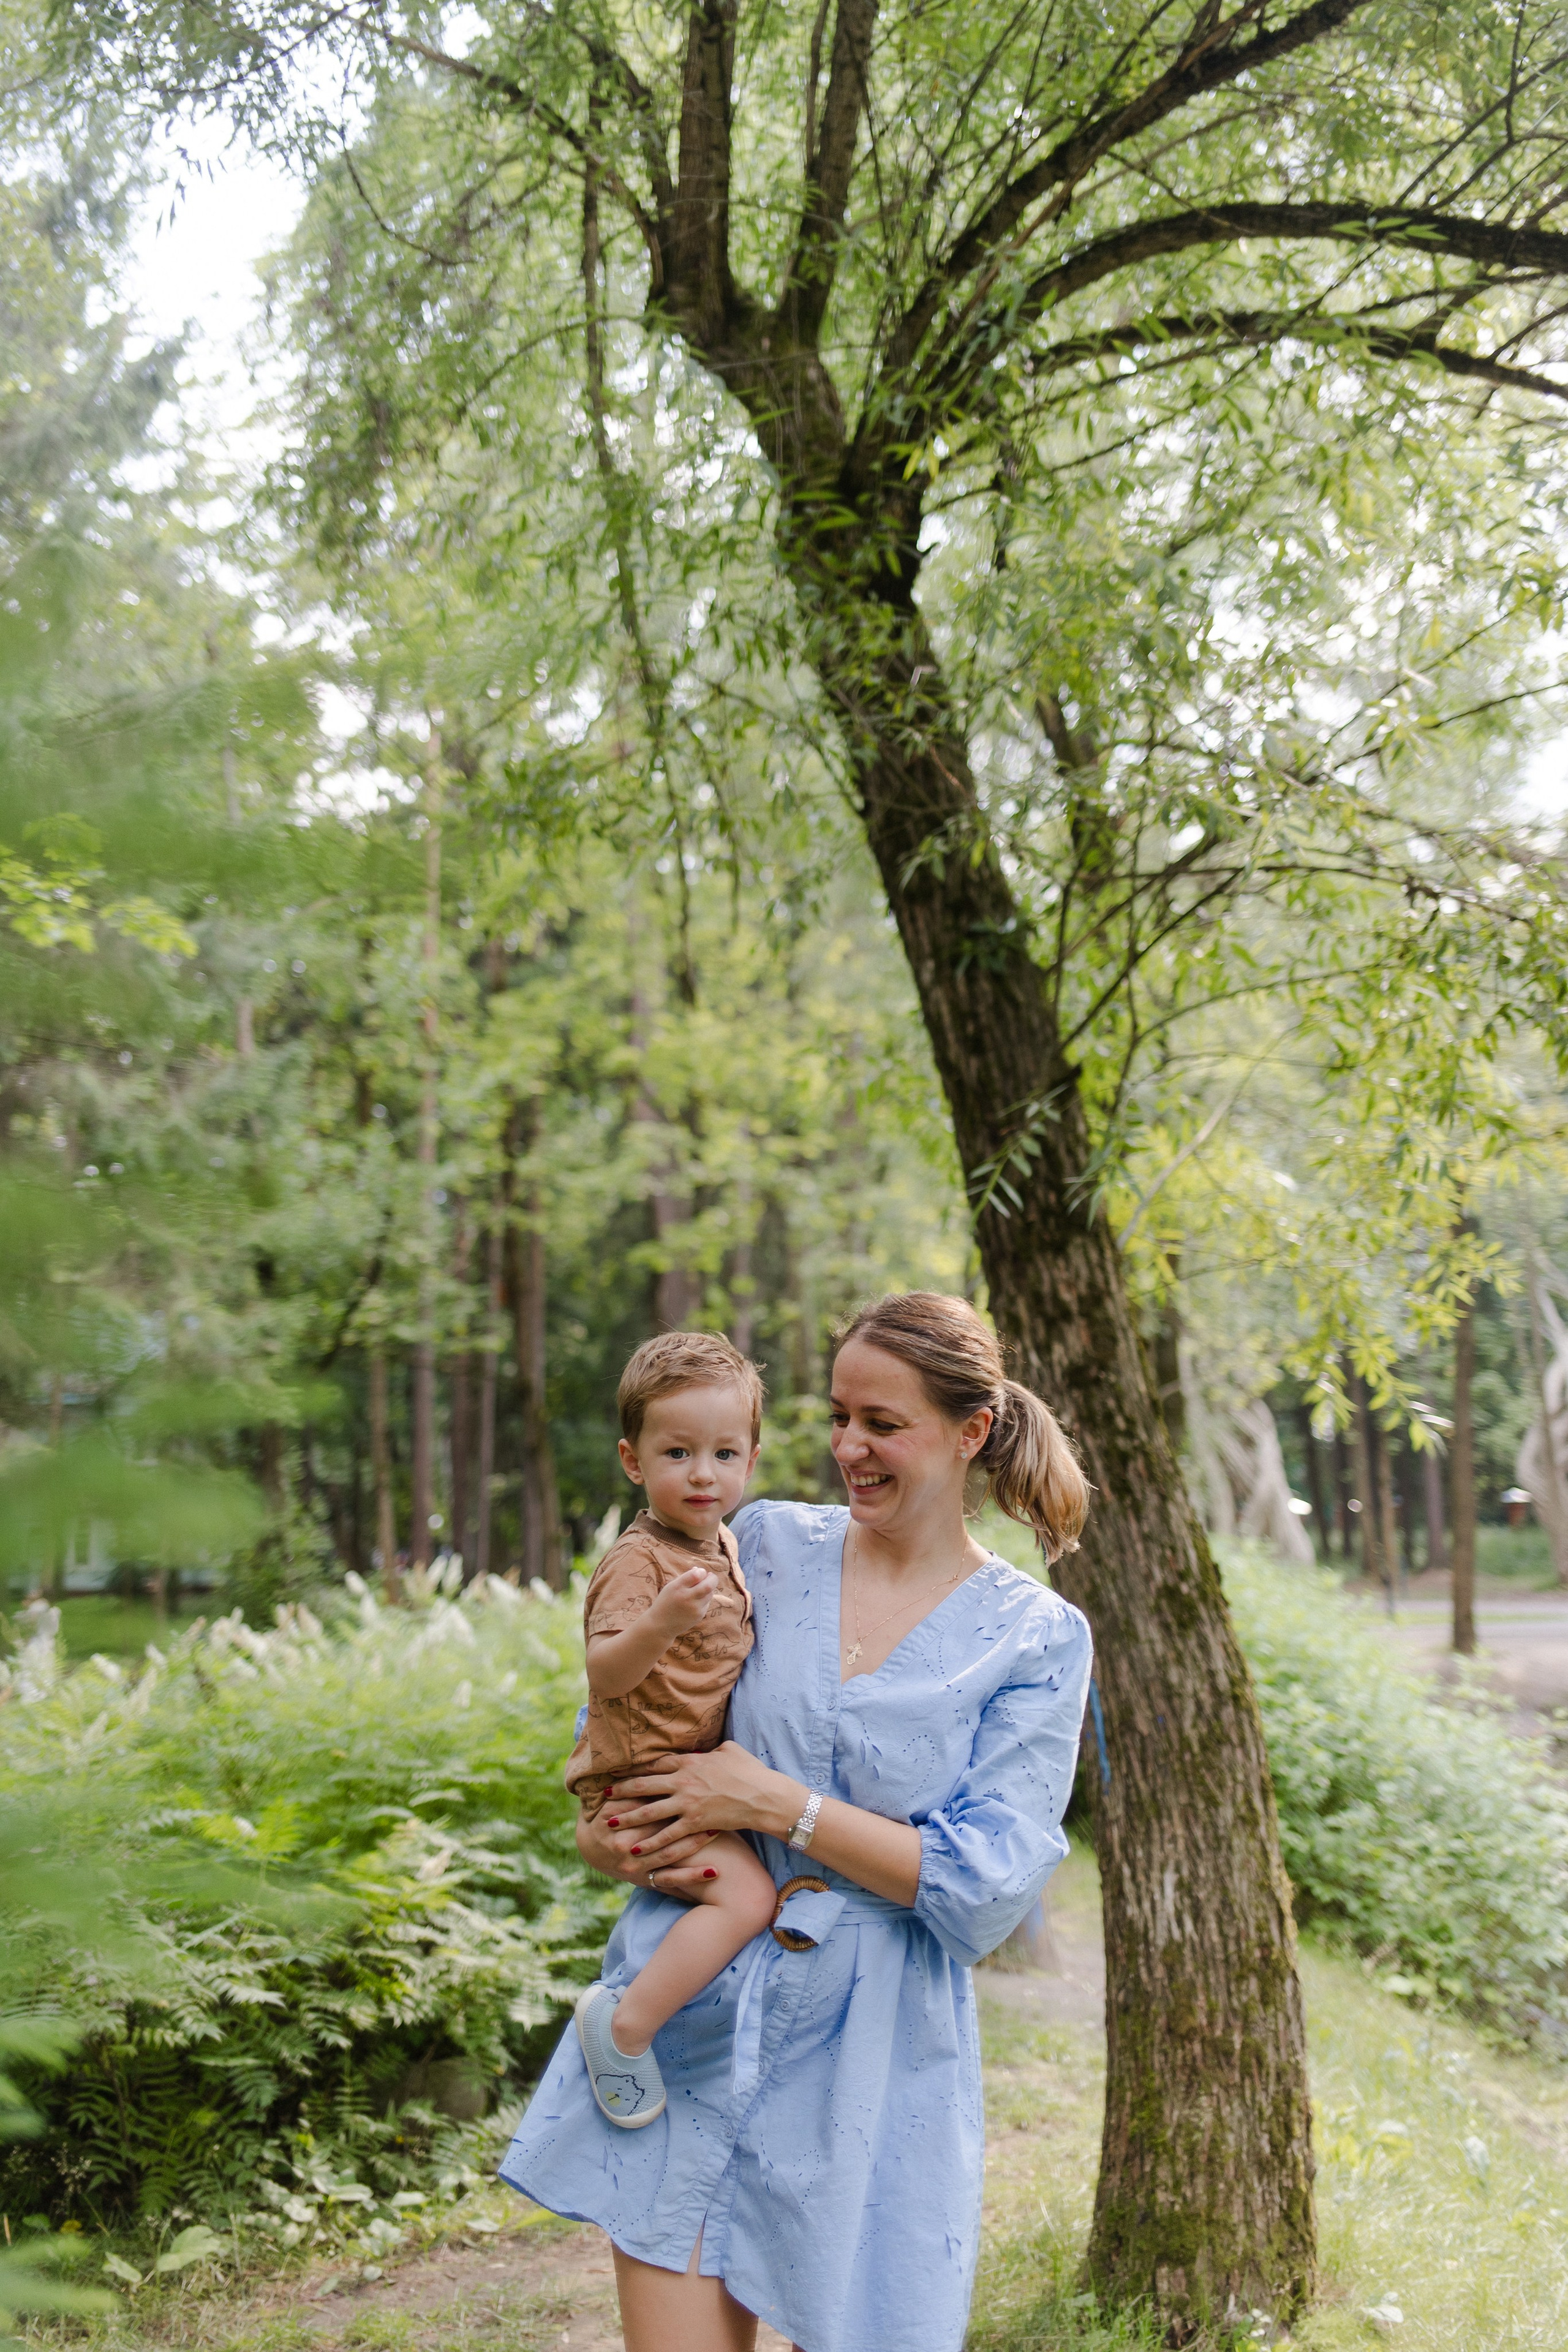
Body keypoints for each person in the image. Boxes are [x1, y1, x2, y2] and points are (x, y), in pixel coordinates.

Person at [500, 1291, 1093, 2352]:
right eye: (837, 1417)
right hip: (693, 2015)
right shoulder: (763, 1543)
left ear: (972, 1434)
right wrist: (611, 1828)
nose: (847, 1449)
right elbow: (625, 1711)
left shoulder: (1035, 1638)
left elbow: (988, 1888)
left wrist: (783, 1807)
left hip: (872, 2055)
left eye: (881, 1424)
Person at [566, 1332, 780, 2128]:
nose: (702, 1473)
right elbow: (607, 1673)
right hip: (640, 1788)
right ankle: (622, 2027)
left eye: (724, 1454)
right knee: (748, 1900)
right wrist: (659, 1623)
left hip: (681, 1779)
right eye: (678, 1452)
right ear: (633, 1461)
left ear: (750, 1460)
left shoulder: (723, 1540)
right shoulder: (640, 1561)